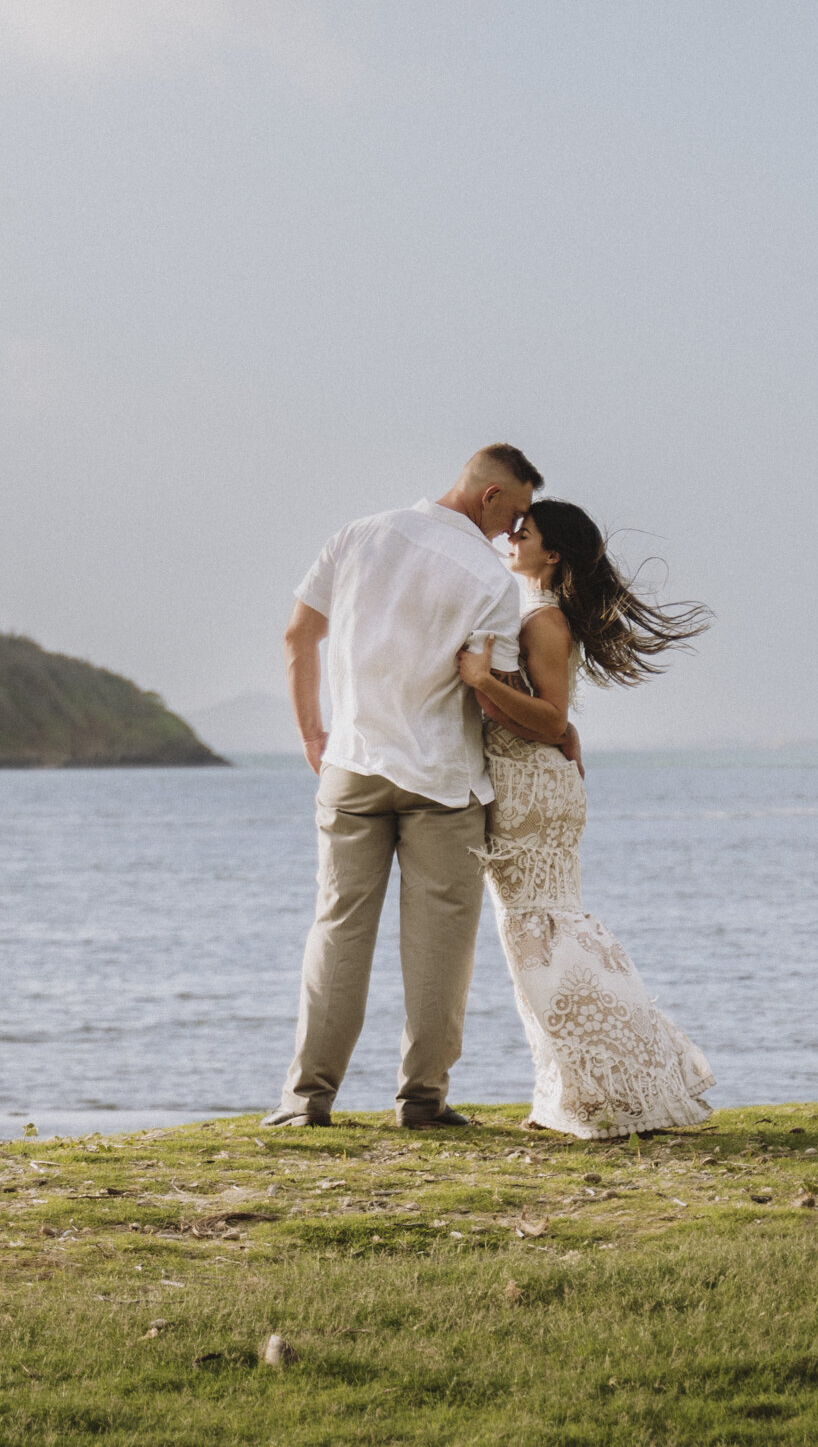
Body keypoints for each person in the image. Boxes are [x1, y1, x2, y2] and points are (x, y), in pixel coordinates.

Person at [267, 443, 545, 1130]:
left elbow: (299, 635)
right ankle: (422, 1101)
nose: (515, 532)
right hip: (444, 782)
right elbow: (493, 693)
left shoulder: (359, 535)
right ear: (490, 496)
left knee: (337, 929)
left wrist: (312, 732)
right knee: (441, 944)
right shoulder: (491, 579)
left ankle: (306, 1102)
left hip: (353, 763)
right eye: (516, 513)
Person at [460, 498, 713, 1137]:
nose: (512, 537)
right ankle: (582, 1092)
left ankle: (616, 1084)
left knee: (540, 942)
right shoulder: (532, 611)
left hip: (533, 796)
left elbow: (549, 716)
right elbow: (555, 720)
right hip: (531, 787)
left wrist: (482, 682)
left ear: (553, 555)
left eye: (526, 531)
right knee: (541, 943)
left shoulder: (543, 617)